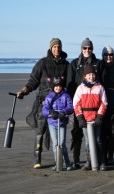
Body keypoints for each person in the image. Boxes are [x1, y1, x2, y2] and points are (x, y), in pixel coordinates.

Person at [16, 38, 69, 169]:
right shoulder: (42, 63)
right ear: (51, 48)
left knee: (58, 137)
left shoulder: (66, 65)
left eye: (58, 47)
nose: (56, 49)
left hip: (60, 107)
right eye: (54, 47)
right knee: (40, 132)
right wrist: (24, 90)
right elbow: (33, 81)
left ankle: (60, 161)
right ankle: (37, 159)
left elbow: (70, 84)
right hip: (43, 104)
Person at [66, 38, 103, 170]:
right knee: (76, 133)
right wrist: (73, 108)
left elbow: (101, 83)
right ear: (81, 49)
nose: (87, 50)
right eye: (84, 48)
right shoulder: (74, 64)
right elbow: (69, 85)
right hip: (78, 105)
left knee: (97, 136)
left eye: (89, 48)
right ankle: (76, 160)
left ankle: (97, 160)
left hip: (94, 106)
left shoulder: (98, 63)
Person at [73, 64, 108, 170]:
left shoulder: (100, 87)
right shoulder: (80, 88)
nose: (91, 76)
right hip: (85, 119)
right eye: (89, 75)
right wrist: (80, 118)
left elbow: (104, 103)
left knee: (98, 140)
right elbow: (76, 104)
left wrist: (99, 116)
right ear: (85, 76)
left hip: (96, 118)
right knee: (88, 141)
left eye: (93, 74)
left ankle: (101, 162)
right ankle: (89, 161)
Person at [42, 77, 74, 171]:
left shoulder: (66, 95)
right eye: (56, 86)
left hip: (62, 122)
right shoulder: (49, 97)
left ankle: (67, 163)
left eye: (59, 86)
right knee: (55, 143)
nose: (58, 88)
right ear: (53, 87)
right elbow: (44, 110)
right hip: (52, 123)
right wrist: (51, 114)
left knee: (62, 143)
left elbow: (70, 107)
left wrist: (63, 112)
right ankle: (57, 163)